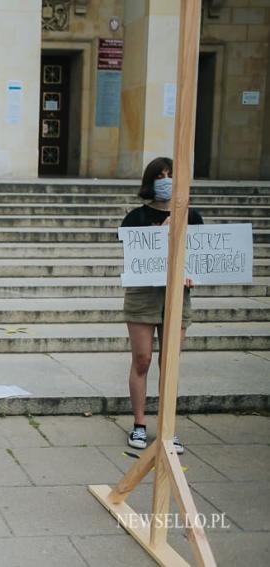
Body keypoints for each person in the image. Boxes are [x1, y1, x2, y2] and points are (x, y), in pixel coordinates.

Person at [120, 157, 203, 454]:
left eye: (170, 174)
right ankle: (140, 425)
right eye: (160, 175)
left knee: (169, 363)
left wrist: (193, 274)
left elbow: (198, 255)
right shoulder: (135, 218)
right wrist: (161, 231)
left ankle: (167, 427)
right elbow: (134, 257)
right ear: (150, 181)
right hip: (144, 295)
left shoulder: (191, 216)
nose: (166, 180)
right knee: (142, 360)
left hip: (176, 295)